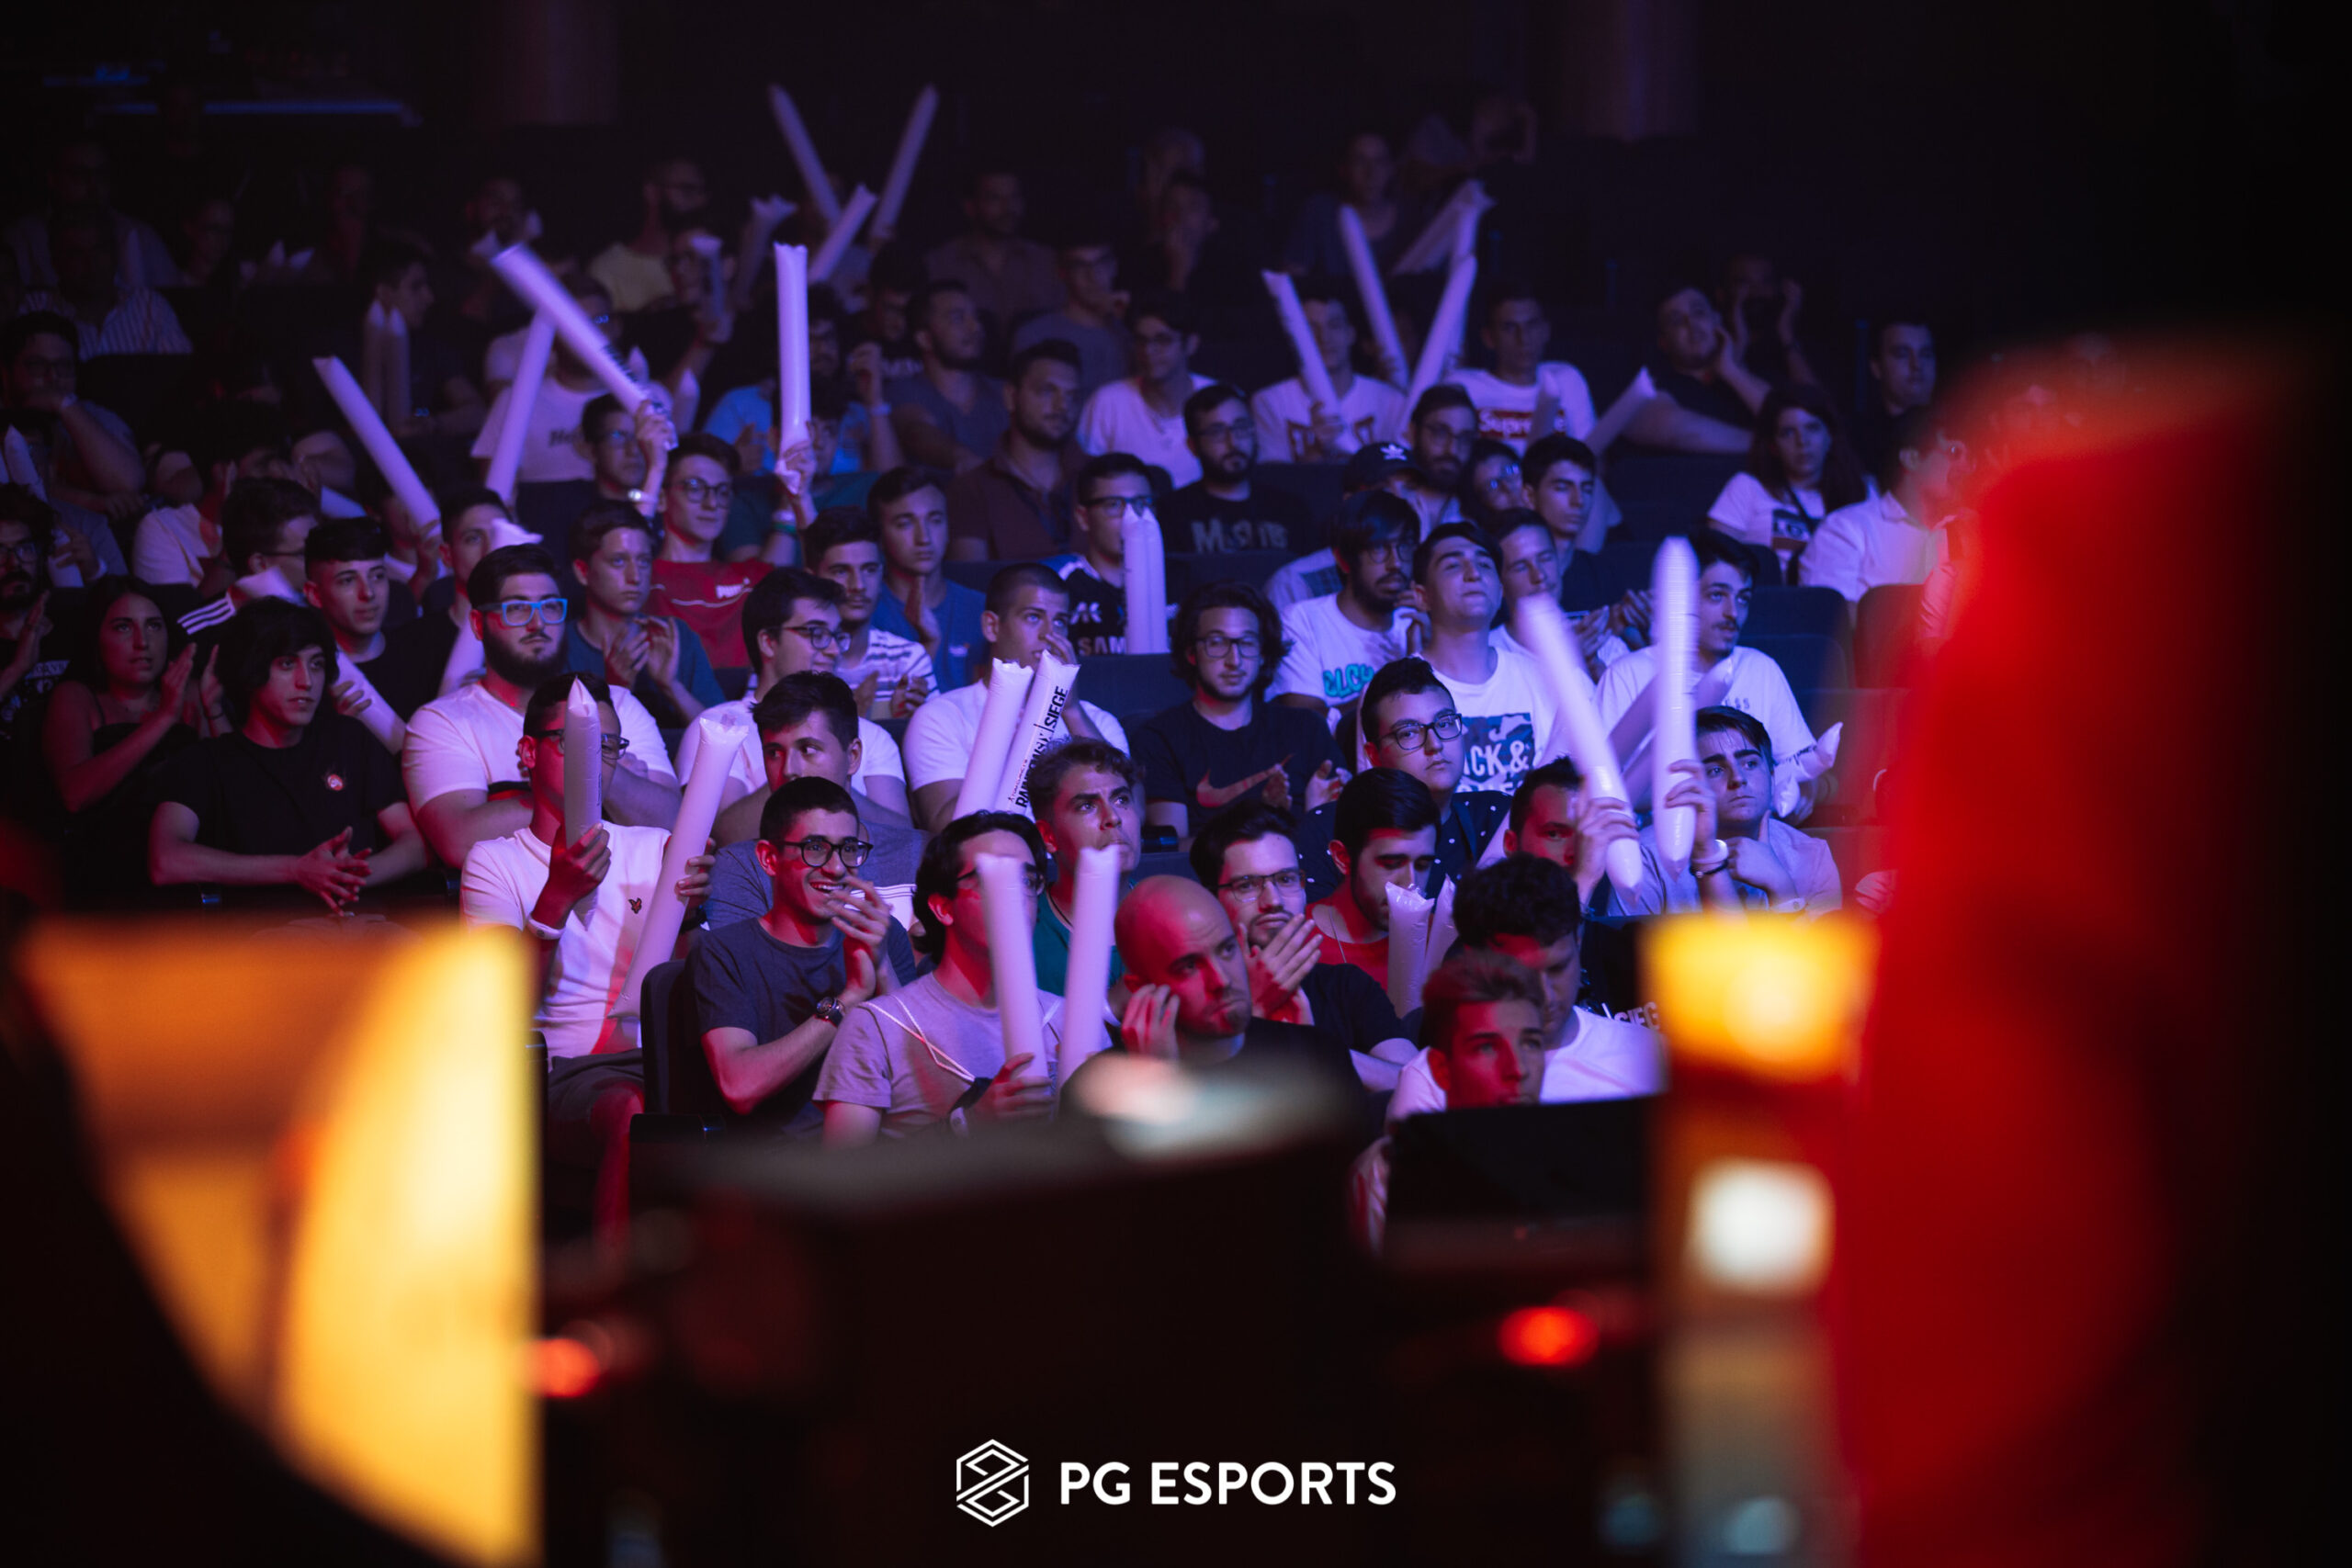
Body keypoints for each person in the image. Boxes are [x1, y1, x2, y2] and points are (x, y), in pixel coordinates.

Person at [458, 671, 713, 1242]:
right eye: (575, 742)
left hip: (660, 1057)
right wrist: (556, 897)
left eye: (608, 744)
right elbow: (500, 1007)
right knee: (632, 1108)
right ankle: (614, 1278)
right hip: (561, 1070)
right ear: (529, 753)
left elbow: (692, 987)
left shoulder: (655, 846)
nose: (595, 759)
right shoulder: (495, 861)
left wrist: (691, 916)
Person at [402, 544, 678, 869]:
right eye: (517, 609)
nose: (538, 623)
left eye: (550, 606)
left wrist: (586, 773)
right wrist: (604, 766)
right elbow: (460, 842)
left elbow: (672, 823)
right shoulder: (442, 722)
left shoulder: (616, 704)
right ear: (478, 624)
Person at [148, 599, 425, 909]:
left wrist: (345, 878)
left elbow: (414, 844)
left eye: (316, 664)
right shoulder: (206, 762)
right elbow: (165, 860)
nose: (306, 681)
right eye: (287, 664)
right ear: (251, 671)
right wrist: (295, 870)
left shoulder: (349, 739)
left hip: (363, 923)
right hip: (260, 933)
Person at [814, 812, 1066, 1143]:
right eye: (993, 878)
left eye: (1027, 880)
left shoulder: (1066, 1020)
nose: (1015, 893)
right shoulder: (877, 1027)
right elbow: (844, 1168)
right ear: (944, 908)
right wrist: (968, 1123)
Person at [687, 775, 919, 1134]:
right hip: (776, 1159)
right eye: (815, 848)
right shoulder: (724, 951)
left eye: (848, 848)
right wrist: (850, 998)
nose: (837, 868)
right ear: (769, 858)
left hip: (879, 1152)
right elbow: (739, 1086)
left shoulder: (885, 937)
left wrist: (882, 968)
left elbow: (918, 1081)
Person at [1385, 854, 1665, 1122]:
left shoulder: (1649, 1058)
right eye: (1522, 975)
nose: (1545, 995)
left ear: (1578, 942)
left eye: (1557, 969)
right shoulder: (1431, 1084)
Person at [1597, 529, 1821, 818]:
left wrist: (1804, 790)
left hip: (1753, 835)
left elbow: (1803, 769)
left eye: (1743, 599)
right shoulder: (1627, 676)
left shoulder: (1760, 668)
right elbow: (1601, 789)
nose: (1733, 613)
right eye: (1717, 596)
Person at [1349, 947, 1549, 1254]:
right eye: (1487, 1048)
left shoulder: (1575, 1153)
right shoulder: (1393, 1180)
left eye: (1531, 1044)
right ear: (1442, 1070)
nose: (1519, 1069)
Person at [673, 568, 910, 823]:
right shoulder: (717, 727)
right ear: (768, 642)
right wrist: (801, 770)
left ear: (854, 754)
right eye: (816, 634)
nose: (833, 649)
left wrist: (832, 772)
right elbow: (720, 833)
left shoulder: (871, 736)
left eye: (836, 635)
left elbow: (902, 837)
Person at [902, 564, 1129, 831]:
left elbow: (1127, 815)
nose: (1049, 634)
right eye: (1033, 617)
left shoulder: (1096, 720)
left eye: (1060, 622)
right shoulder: (942, 717)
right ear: (992, 626)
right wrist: (1015, 743)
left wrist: (1070, 710)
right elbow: (947, 828)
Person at [1079, 875, 1360, 1089]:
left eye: (1227, 950)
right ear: (1140, 988)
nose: (1221, 980)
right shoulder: (1098, 1090)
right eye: (1189, 966)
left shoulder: (1319, 1055)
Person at [699, 673, 928, 926]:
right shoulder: (742, 866)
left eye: (808, 749)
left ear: (853, 756)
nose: (789, 769)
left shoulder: (921, 854)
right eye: (774, 753)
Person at [1191, 801, 1410, 1063]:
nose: (1273, 901)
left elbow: (1409, 1078)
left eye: (1286, 879)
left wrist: (1315, 1047)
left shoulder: (1346, 986)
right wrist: (1256, 1008)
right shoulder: (1191, 999)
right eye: (1247, 885)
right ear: (1210, 900)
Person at [1136, 580, 1345, 845]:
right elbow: (1171, 849)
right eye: (1217, 643)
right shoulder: (1159, 738)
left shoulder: (1306, 728)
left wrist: (1316, 817)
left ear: (1263, 653)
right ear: (1191, 652)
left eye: (1247, 643)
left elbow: (1339, 836)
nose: (1234, 660)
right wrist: (1267, 818)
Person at [40, 577, 199, 905]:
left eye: (153, 626)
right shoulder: (76, 696)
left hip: (190, 864)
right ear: (96, 638)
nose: (143, 642)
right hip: (106, 872)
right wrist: (163, 718)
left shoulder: (191, 693)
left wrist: (213, 710)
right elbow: (75, 795)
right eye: (124, 627)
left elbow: (229, 792)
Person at [1406, 522, 1566, 797]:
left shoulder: (1552, 681)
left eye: (1484, 565)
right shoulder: (1395, 694)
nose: (1474, 574)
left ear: (1500, 591)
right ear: (1422, 596)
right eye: (1453, 566)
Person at [469, 276, 673, 485]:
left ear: (617, 326)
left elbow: (675, 480)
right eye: (574, 326)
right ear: (551, 336)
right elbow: (493, 494)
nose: (589, 336)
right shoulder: (515, 403)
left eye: (600, 320)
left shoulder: (653, 398)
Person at [1657, 706, 1842, 915]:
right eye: (1716, 770)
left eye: (1750, 764)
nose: (1738, 778)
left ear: (1772, 775)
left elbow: (1820, 938)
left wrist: (1781, 888)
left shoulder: (1812, 856)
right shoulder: (1653, 859)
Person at [647, 433, 801, 671]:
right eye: (694, 488)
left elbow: (788, 535)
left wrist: (793, 489)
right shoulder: (641, 579)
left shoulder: (747, 578)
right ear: (662, 498)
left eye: (722, 491)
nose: (712, 503)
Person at [561, 502, 724, 728]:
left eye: (644, 561)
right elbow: (570, 744)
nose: (635, 576)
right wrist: (617, 690)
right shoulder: (560, 646)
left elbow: (723, 734)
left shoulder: (675, 636)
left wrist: (672, 687)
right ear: (583, 571)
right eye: (618, 561)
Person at [1267, 489, 1419, 720]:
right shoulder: (1302, 620)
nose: (1396, 563)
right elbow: (1306, 723)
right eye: (1378, 548)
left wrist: (1429, 652)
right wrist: (1403, 681)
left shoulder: (1419, 625)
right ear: (1343, 559)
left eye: (1404, 546)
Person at [368, 485, 517, 718]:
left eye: (499, 536)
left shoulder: (538, 629)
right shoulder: (410, 645)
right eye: (473, 538)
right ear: (447, 554)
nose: (490, 549)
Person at [1, 311, 146, 546]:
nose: (53, 377)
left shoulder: (91, 416)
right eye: (37, 366)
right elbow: (14, 492)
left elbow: (129, 482)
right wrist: (88, 502)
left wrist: (63, 404)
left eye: (64, 366)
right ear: (5, 373)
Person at [1799, 405, 1968, 604]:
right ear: (1912, 459)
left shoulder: (1973, 532)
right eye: (1954, 452)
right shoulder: (1847, 528)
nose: (1965, 466)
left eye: (1971, 458)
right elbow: (1830, 613)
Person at [942, 339, 1086, 561]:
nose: (1063, 406)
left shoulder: (1098, 480)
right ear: (1011, 396)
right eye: (1048, 391)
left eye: (1072, 396)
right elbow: (970, 578)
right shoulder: (971, 489)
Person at [1706, 385, 1871, 577]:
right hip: (1769, 595)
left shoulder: (1862, 492)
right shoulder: (1747, 487)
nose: (1802, 442)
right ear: (1773, 445)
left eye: (1812, 428)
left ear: (1830, 436)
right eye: (1788, 433)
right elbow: (1714, 565)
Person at [1024, 739, 1141, 993]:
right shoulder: (1023, 933)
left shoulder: (1176, 913)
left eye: (1121, 799)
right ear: (1048, 837)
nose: (1113, 817)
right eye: (1087, 806)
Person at [1303, 766, 1441, 982]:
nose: (1410, 885)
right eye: (1391, 864)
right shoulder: (1297, 944)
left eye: (1423, 865)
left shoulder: (1441, 939)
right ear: (1343, 858)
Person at [1247, 281, 1408, 462]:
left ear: (1351, 333)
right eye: (1311, 328)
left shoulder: (1391, 401)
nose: (1324, 337)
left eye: (1334, 325)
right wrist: (1317, 450)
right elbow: (1273, 476)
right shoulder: (1270, 402)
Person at [1261, 439, 1426, 609]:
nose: (1401, 499)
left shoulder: (1433, 568)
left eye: (1410, 488)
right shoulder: (1297, 582)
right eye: (1383, 490)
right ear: (1350, 501)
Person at [865, 468, 988, 693]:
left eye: (935, 520)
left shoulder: (983, 609)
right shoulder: (865, 612)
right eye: (905, 524)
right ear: (879, 536)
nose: (924, 538)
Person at [804, 507, 933, 718]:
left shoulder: (908, 660)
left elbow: (935, 734)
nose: (858, 585)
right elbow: (754, 729)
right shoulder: (790, 656)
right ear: (812, 578)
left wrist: (908, 720)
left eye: (869, 569)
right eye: (841, 571)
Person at [1076, 289, 1213, 488]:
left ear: (1191, 344)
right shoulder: (1107, 402)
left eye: (1162, 340)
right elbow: (1087, 482)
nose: (1148, 350)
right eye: (1141, 340)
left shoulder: (1220, 401)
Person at [15, 205, 192, 358]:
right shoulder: (34, 309)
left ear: (115, 254)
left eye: (99, 251)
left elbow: (179, 371)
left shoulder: (150, 307)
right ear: (55, 262)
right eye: (76, 254)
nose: (91, 264)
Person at [351, 238, 486, 440]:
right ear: (384, 292)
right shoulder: (344, 348)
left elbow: (476, 411)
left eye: (427, 286)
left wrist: (431, 422)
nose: (429, 297)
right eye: (415, 287)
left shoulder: (429, 347)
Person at [1157, 383, 1314, 554]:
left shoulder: (1291, 510)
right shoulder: (1170, 514)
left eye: (1241, 427)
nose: (1233, 442)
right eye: (1217, 432)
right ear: (1193, 445)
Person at [4, 138, 176, 291]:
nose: (93, 187)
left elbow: (172, 298)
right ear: (53, 179)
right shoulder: (22, 239)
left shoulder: (141, 236)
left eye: (101, 175)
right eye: (80, 175)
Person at [300, 518, 413, 750]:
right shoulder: (306, 681)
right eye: (348, 580)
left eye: (377, 576)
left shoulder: (421, 654)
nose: (368, 592)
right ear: (315, 594)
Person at [1623, 285, 1769, 455]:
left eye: (1699, 312)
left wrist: (1731, 370)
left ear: (1717, 321)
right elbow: (1679, 431)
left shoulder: (1747, 378)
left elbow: (1786, 415)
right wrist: (1772, 445)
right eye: (1676, 320)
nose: (1691, 324)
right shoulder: (1653, 387)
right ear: (1664, 342)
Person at [886, 280, 1008, 474]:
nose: (976, 327)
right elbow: (917, 431)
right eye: (957, 318)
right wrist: (963, 459)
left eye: (976, 317)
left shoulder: (1004, 392)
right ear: (925, 339)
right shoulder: (903, 391)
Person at [175, 477, 321, 639]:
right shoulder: (198, 633)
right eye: (304, 552)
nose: (322, 558)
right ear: (260, 564)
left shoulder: (327, 609)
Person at [1451, 289, 1596, 452]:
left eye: (1531, 326)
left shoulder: (1566, 378)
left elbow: (1592, 453)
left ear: (1546, 330)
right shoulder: (1463, 386)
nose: (1523, 339)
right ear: (1489, 337)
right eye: (1510, 328)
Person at [923, 168, 1064, 334]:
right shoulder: (941, 263)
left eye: (1014, 197)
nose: (1008, 207)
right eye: (994, 198)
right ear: (970, 206)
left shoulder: (1046, 261)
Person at [1490, 509, 1625, 680]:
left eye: (1545, 558)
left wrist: (1594, 669)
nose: (1539, 575)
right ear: (1499, 583)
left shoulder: (1603, 644)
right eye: (1521, 567)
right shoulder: (1487, 652)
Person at [1041, 452, 1150, 654]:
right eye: (1114, 505)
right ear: (1083, 517)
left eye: (1141, 503)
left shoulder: (1181, 580)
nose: (1131, 518)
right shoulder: (1055, 581)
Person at [1282, 130, 1417, 284]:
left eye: (1380, 162)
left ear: (1391, 168)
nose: (1371, 173)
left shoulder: (1409, 216)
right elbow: (1291, 279)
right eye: (1360, 162)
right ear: (1344, 169)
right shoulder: (1320, 211)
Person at [1010, 234, 1130, 400]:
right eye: (1080, 266)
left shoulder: (1131, 333)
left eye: (1101, 263)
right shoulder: (1034, 335)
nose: (1093, 276)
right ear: (1063, 273)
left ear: (1114, 266)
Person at [588, 156, 709, 312]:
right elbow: (598, 320)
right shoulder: (607, 268)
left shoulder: (710, 262)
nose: (698, 201)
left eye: (701, 192)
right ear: (652, 192)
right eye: (686, 190)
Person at [0, 490, 73, 747]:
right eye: (0, 552)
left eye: (25, 548)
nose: (14, 563)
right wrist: (17, 668)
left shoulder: (75, 626)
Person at [1717, 254, 1820, 394]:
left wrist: (1786, 333)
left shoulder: (1802, 347)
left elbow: (1821, 403)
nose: (1757, 291)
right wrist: (1740, 341)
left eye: (1765, 282)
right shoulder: (1707, 345)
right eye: (1744, 283)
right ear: (1721, 294)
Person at [1849, 317, 1938, 478]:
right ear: (1876, 367)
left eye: (1925, 354)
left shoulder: (1963, 428)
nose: (1916, 365)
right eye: (1902, 354)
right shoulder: (1857, 441)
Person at [1399, 386, 1481, 527]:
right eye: (1440, 433)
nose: (1452, 450)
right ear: (1413, 433)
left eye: (1465, 438)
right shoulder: (1386, 497)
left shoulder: (1480, 516)